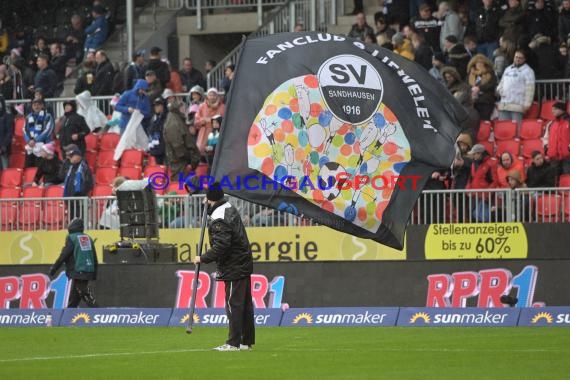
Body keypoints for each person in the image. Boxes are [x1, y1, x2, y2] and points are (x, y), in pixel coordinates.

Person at [193, 183, 255, 351]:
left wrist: (202, 258)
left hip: (234, 264)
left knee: (233, 304)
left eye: (206, 197)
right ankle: (245, 341)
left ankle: (233, 343)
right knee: (244, 304)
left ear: (211, 199)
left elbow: (222, 246)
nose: (203, 200)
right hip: (242, 262)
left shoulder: (219, 216)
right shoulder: (227, 207)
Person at [49, 218, 98, 308]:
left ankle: (99, 312)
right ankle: (69, 315)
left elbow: (64, 255)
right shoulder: (89, 238)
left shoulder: (71, 237)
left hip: (78, 270)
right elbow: (94, 257)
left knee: (83, 292)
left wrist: (54, 268)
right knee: (75, 297)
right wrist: (94, 273)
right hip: (88, 270)